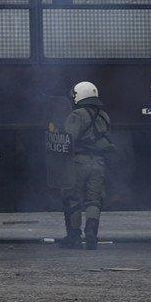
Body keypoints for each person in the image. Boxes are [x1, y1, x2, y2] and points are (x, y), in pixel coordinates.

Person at [60, 81, 114, 250]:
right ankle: (92, 233)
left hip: (79, 162)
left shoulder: (77, 115)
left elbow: (68, 139)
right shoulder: (104, 115)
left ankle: (74, 237)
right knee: (94, 199)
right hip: (98, 162)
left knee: (72, 198)